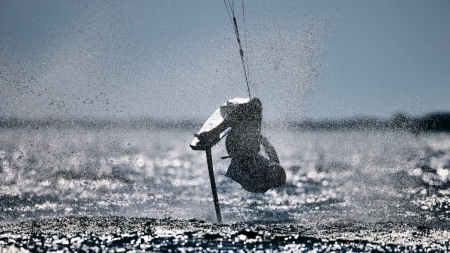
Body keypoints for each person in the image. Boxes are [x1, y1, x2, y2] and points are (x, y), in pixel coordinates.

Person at [195, 97, 286, 193]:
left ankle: (214, 132)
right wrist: (260, 138)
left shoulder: (257, 184)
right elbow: (270, 149)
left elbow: (239, 173)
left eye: (272, 167)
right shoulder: (273, 168)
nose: (271, 164)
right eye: (273, 165)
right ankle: (237, 112)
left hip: (235, 149)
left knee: (245, 115)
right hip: (248, 146)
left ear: (269, 175)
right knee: (256, 104)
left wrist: (251, 134)